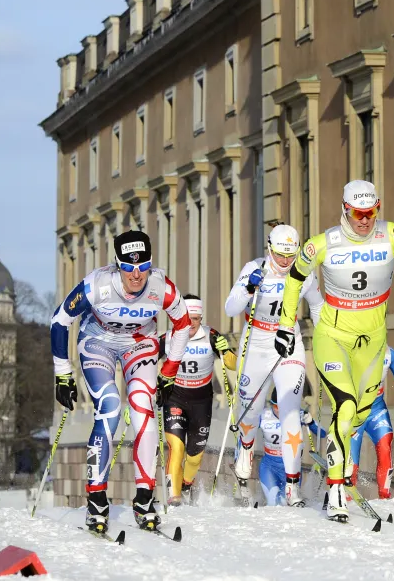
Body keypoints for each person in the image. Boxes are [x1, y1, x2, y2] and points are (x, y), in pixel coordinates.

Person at [274, 180, 394, 522]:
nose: (364, 220)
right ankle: (335, 489)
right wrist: (286, 325)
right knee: (344, 407)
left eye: (371, 212)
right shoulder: (323, 243)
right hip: (332, 337)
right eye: (358, 214)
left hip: (373, 343)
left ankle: (339, 458)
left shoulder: (391, 234)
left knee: (360, 415)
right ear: (345, 209)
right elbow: (295, 279)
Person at [50, 230, 192, 534]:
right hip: (97, 341)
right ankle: (97, 498)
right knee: (111, 407)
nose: (136, 274)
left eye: (143, 265)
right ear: (118, 265)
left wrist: (170, 370)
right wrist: (62, 374)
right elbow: (60, 320)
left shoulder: (161, 286)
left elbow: (182, 324)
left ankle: (144, 498)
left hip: (138, 343)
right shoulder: (97, 284)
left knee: (143, 408)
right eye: (128, 266)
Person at [225, 224, 323, 508]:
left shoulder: (303, 271)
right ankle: (245, 447)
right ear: (269, 249)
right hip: (256, 341)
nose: (284, 261)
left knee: (291, 410)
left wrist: (325, 339)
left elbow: (317, 306)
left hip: (288, 341)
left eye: (290, 256)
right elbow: (230, 308)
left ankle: (293, 487)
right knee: (251, 410)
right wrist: (247, 287)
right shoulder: (254, 267)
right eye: (280, 255)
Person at [159, 294, 235, 507]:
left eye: (196, 318)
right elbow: (142, 364)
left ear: (201, 318)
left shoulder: (210, 335)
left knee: (194, 457)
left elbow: (232, 364)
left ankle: (185, 485)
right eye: (187, 317)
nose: (191, 323)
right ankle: (174, 496)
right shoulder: (167, 338)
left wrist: (226, 348)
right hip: (175, 398)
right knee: (176, 448)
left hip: (201, 402)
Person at [348, 345, 394, 499]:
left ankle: (384, 495)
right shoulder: (354, 348)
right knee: (351, 458)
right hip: (355, 411)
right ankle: (347, 494)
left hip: (377, 409)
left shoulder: (389, 353)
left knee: (385, 446)